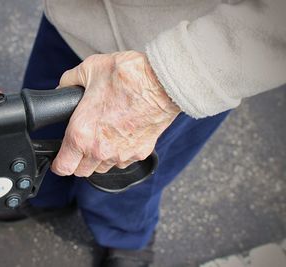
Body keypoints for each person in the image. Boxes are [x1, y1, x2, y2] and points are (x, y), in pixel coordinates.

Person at [22, 0, 286, 266]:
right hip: (74, 19)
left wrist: (167, 83)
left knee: (127, 176)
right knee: (37, 131)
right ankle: (43, 194)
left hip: (183, 51)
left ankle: (123, 236)